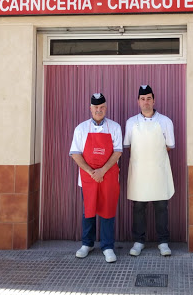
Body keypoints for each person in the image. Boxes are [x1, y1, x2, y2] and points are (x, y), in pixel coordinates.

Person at [69, 93, 122, 263]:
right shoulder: (81, 128)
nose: (99, 111)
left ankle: (107, 246)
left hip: (109, 176)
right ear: (90, 109)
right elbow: (75, 153)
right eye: (96, 108)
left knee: (107, 211)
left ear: (106, 108)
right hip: (88, 177)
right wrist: (92, 172)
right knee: (89, 211)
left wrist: (102, 171)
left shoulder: (114, 127)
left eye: (102, 108)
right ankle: (87, 244)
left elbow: (118, 151)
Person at [124, 84, 175, 257]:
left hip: (158, 171)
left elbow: (169, 146)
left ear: (154, 100)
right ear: (138, 101)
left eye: (149, 99)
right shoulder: (131, 123)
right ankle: (138, 241)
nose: (146, 102)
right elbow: (128, 146)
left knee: (162, 207)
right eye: (143, 99)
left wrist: (154, 159)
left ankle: (163, 242)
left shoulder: (165, 122)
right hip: (139, 172)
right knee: (138, 207)